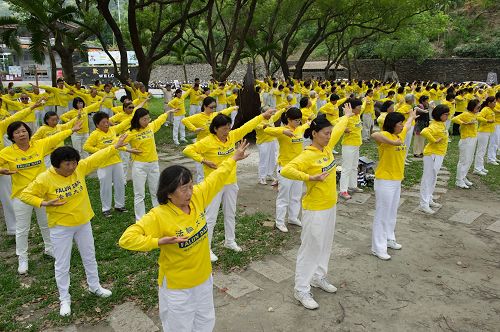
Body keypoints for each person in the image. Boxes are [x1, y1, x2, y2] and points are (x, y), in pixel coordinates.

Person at [119, 140, 252, 332]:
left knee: (205, 321)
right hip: (177, 287)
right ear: (169, 194)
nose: (189, 192)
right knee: (179, 327)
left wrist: (233, 158)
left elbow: (217, 177)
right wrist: (157, 241)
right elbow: (127, 238)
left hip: (204, 278)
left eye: (190, 186)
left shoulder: (197, 197)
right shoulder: (159, 215)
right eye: (183, 189)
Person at [19, 140, 127, 316]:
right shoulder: (45, 178)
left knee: (89, 256)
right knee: (62, 264)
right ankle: (64, 299)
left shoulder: (79, 168)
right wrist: (44, 203)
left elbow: (96, 158)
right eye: (67, 164)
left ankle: (95, 286)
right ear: (56, 165)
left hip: (83, 222)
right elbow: (25, 194)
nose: (72, 167)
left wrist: (114, 146)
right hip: (61, 227)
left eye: (74, 162)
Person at [280, 106, 353, 310]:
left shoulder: (327, 148)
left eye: (330, 133)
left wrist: (346, 117)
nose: (330, 136)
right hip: (315, 209)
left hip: (330, 205)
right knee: (310, 247)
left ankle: (318, 277)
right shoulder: (308, 155)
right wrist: (309, 177)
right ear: (314, 134)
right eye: (325, 133)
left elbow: (338, 128)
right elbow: (287, 170)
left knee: (325, 245)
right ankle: (301, 288)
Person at [183, 108, 275, 262]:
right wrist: (204, 160)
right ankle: (206, 248)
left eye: (228, 127)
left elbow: (247, 126)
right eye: (223, 129)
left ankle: (229, 241)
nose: (227, 131)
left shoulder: (232, 136)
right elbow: (188, 149)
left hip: (231, 182)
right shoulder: (207, 141)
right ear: (215, 129)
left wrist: (262, 116)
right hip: (213, 185)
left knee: (230, 213)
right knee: (210, 217)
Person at [0, 119, 82, 274]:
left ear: (28, 132)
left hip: (44, 194)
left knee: (45, 224)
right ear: (11, 137)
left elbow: (55, 138)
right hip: (22, 196)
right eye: (17, 132)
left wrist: (72, 130)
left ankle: (49, 248)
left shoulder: (39, 145)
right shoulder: (7, 152)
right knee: (22, 229)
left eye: (24, 131)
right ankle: (22, 258)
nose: (21, 134)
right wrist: (1, 170)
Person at [370, 108, 418, 261]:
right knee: (382, 214)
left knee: (392, 212)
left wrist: (411, 116)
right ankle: (378, 247)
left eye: (402, 123)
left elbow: (408, 125)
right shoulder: (386, 135)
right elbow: (374, 134)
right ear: (392, 125)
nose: (402, 126)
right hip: (385, 180)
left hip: (397, 179)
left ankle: (389, 238)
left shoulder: (400, 133)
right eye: (399, 124)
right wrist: (392, 142)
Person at [0, 99, 43, 237]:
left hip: (5, 166)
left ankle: (13, 228)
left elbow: (15, 118)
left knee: (7, 198)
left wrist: (32, 107)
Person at [83, 112, 139, 217]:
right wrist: (100, 151)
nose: (106, 124)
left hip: (116, 161)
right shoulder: (95, 134)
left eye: (107, 121)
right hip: (103, 164)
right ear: (97, 125)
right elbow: (86, 147)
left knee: (120, 183)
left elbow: (122, 127)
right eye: (103, 122)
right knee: (106, 186)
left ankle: (119, 205)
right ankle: (106, 209)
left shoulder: (113, 130)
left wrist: (134, 115)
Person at [264, 108, 309, 233]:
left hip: (298, 168)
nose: (298, 122)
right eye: (296, 120)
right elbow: (266, 129)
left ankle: (293, 217)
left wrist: (307, 123)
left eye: (299, 120)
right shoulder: (282, 131)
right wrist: (284, 131)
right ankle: (280, 221)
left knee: (296, 195)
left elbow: (305, 125)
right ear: (288, 120)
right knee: (284, 196)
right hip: (285, 168)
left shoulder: (299, 128)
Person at [125, 107, 176, 220]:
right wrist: (129, 150)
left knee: (156, 191)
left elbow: (159, 120)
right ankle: (140, 219)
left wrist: (168, 112)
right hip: (139, 166)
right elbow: (117, 143)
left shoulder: (150, 127)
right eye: (144, 119)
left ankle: (159, 215)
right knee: (139, 194)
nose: (147, 121)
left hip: (153, 164)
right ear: (137, 119)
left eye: (148, 118)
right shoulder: (131, 133)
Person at [182, 97, 238, 183]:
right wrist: (194, 129)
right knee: (201, 173)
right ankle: (202, 191)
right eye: (211, 107)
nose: (213, 109)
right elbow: (184, 120)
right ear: (205, 106)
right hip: (202, 147)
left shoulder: (215, 115)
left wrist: (233, 107)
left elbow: (225, 112)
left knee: (212, 171)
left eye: (214, 107)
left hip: (212, 148)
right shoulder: (198, 117)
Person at [418, 104, 450, 214]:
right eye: (446, 114)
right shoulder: (435, 125)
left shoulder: (441, 124)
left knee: (433, 178)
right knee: (428, 178)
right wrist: (434, 140)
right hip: (432, 155)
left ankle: (429, 198)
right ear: (440, 115)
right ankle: (424, 203)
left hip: (439, 154)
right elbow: (424, 131)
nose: (447, 116)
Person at [338, 99, 363, 200]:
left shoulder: (357, 116)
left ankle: (353, 185)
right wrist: (344, 129)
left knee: (354, 166)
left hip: (357, 144)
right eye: (358, 107)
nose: (360, 109)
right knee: (346, 168)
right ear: (352, 108)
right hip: (348, 145)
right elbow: (335, 125)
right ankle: (343, 190)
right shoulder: (346, 118)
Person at [452, 99, 480, 189]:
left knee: (470, 159)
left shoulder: (474, 114)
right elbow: (454, 119)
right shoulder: (466, 114)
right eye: (477, 107)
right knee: (464, 160)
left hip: (473, 138)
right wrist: (464, 123)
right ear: (472, 107)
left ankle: (463, 177)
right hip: (466, 139)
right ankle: (459, 180)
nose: (479, 108)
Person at [473, 96, 496, 175]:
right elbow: (478, 117)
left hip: (488, 132)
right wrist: (487, 121)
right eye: (494, 102)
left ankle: (481, 166)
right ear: (489, 103)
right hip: (483, 132)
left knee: (483, 150)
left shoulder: (490, 109)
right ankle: (477, 168)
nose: (495, 104)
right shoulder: (485, 109)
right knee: (481, 150)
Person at [486, 92, 500, 164]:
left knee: (497, 141)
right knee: (494, 141)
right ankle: (490, 158)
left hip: (498, 124)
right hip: (495, 124)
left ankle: (493, 157)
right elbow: (495, 110)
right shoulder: (495, 105)